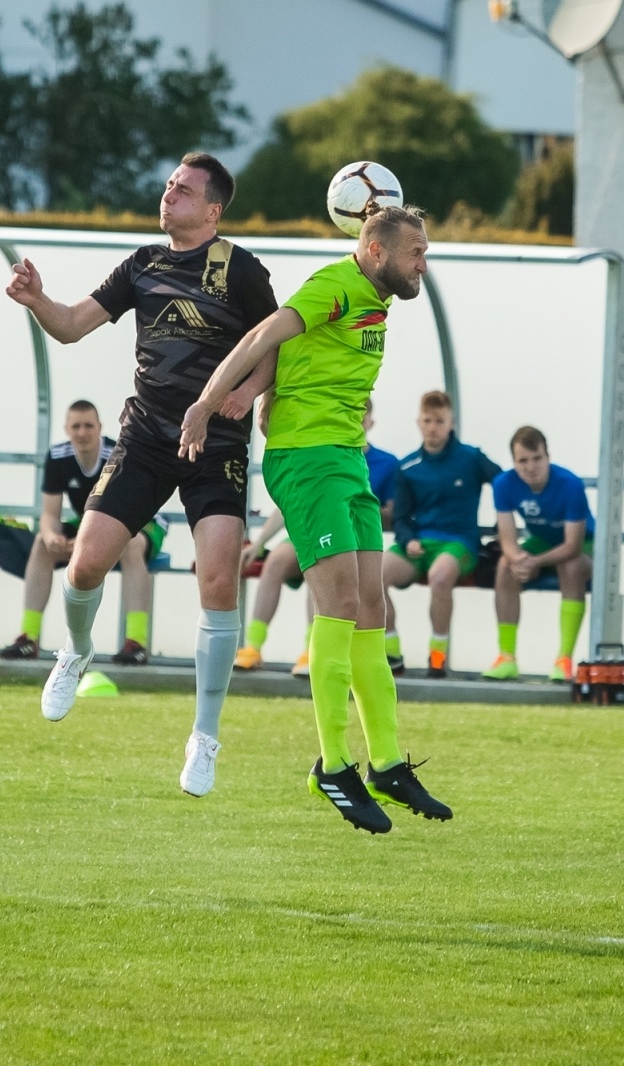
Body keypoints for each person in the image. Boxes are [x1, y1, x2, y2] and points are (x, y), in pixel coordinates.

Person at [4, 152, 278, 798]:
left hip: (216, 444)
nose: (169, 195)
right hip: (148, 436)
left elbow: (278, 343)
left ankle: (203, 738)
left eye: (183, 190)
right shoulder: (144, 264)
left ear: (213, 210)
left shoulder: (240, 270)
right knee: (84, 565)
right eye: (168, 186)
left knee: (217, 578)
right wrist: (36, 298)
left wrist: (250, 391)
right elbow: (72, 327)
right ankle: (74, 651)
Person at [180, 203, 451, 834]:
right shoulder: (335, 284)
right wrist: (209, 402)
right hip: (307, 460)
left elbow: (298, 349)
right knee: (336, 608)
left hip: (346, 459)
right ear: (378, 251)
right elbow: (261, 336)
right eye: (417, 252)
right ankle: (333, 766)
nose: (424, 264)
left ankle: (384, 762)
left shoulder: (371, 294)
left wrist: (264, 390)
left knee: (371, 609)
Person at [234, 400, 399, 677]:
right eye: (349, 416)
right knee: (275, 561)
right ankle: (253, 646)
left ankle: (312, 650)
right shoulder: (322, 452)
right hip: (311, 530)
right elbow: (291, 501)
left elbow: (392, 514)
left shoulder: (386, 463)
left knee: (326, 569)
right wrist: (259, 544)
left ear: (370, 422)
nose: (355, 422)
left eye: (361, 417)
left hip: (355, 540)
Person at [0, 399, 166, 665]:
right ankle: (28, 637)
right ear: (66, 429)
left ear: (100, 427)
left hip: (141, 520)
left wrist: (87, 541)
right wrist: (53, 536)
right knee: (42, 542)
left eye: (88, 425)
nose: (82, 432)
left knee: (129, 546)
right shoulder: (58, 456)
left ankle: (136, 641)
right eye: (76, 426)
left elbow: (127, 513)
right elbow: (50, 514)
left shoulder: (116, 454)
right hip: (92, 521)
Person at [382, 390, 502, 678]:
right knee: (374, 575)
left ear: (451, 423)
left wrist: (503, 525)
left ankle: (438, 655)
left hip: (458, 543)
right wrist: (408, 538)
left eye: (439, 421)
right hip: (418, 544)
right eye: (427, 420)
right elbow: (400, 517)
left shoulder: (470, 458)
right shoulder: (408, 465)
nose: (433, 427)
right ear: (418, 423)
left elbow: (505, 483)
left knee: (439, 577)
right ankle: (390, 651)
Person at [481, 426, 593, 683]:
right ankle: (506, 658)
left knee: (571, 567)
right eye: (523, 461)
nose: (530, 467)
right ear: (514, 462)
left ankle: (563, 660)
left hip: (585, 544)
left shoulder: (570, 484)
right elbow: (507, 539)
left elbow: (572, 545)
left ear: (547, 456)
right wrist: (517, 560)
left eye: (536, 459)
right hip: (541, 541)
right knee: (504, 566)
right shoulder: (503, 484)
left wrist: (535, 562)